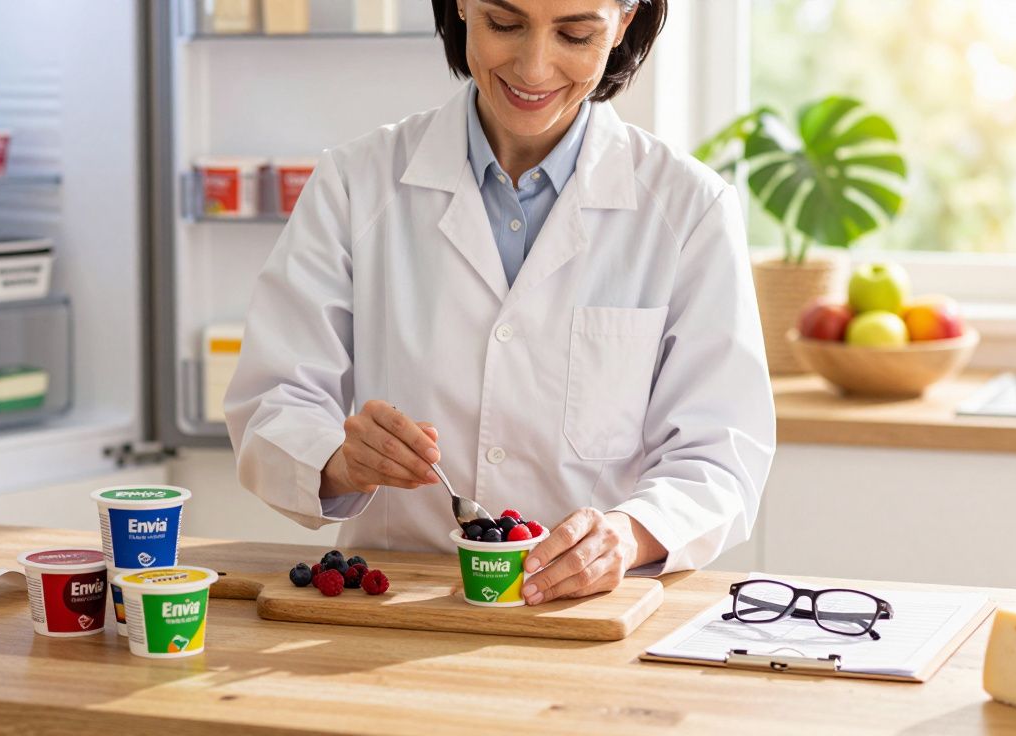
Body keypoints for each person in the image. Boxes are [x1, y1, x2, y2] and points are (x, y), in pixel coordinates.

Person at [226, 0, 775, 606]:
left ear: (622, 23)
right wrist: (339, 460)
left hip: (586, 614)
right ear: (462, 6)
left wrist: (627, 534)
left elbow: (721, 455)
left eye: (575, 34)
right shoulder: (356, 184)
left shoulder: (688, 209)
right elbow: (271, 402)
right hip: (391, 603)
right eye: (505, 25)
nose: (534, 68)